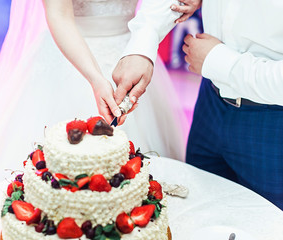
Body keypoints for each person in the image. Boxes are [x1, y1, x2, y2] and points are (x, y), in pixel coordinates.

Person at [0, 0, 196, 216]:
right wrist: (96, 79)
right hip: (69, 55)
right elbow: (58, 15)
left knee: (141, 189)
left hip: (133, 53)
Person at [114, 0, 283, 210]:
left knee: (267, 224)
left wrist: (217, 62)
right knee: (197, 212)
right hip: (210, 103)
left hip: (274, 124)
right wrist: (142, 47)